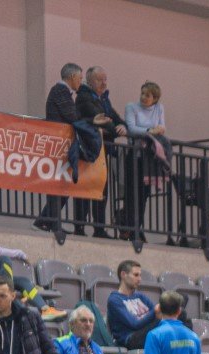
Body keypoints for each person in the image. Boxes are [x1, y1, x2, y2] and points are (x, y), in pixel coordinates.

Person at [73, 67, 126, 239]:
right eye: (99, 80)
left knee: (101, 190)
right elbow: (101, 121)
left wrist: (122, 126)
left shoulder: (104, 99)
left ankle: (99, 228)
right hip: (87, 151)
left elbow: (117, 120)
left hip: (101, 152)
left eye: (105, 79)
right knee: (83, 190)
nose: (104, 83)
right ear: (89, 81)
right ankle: (80, 227)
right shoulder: (84, 97)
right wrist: (115, 129)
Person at [34, 63, 84, 239]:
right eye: (79, 78)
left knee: (63, 186)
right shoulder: (60, 91)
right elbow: (72, 116)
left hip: (61, 145)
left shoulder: (63, 92)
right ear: (71, 77)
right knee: (57, 185)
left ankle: (44, 220)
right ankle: (52, 222)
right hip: (57, 145)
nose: (81, 81)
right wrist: (91, 121)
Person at [120, 81, 169, 235]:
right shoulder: (131, 107)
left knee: (144, 195)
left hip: (149, 158)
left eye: (147, 95)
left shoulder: (159, 108)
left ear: (155, 98)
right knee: (131, 194)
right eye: (142, 93)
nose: (143, 97)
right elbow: (132, 129)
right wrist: (150, 130)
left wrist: (154, 131)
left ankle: (137, 227)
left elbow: (162, 127)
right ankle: (128, 227)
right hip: (134, 157)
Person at [105, 260, 160, 349]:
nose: (139, 279)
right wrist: (156, 310)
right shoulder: (115, 300)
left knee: (179, 315)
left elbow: (156, 314)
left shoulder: (140, 296)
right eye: (136, 275)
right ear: (123, 275)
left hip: (146, 333)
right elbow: (134, 324)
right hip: (130, 338)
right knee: (164, 323)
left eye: (140, 275)